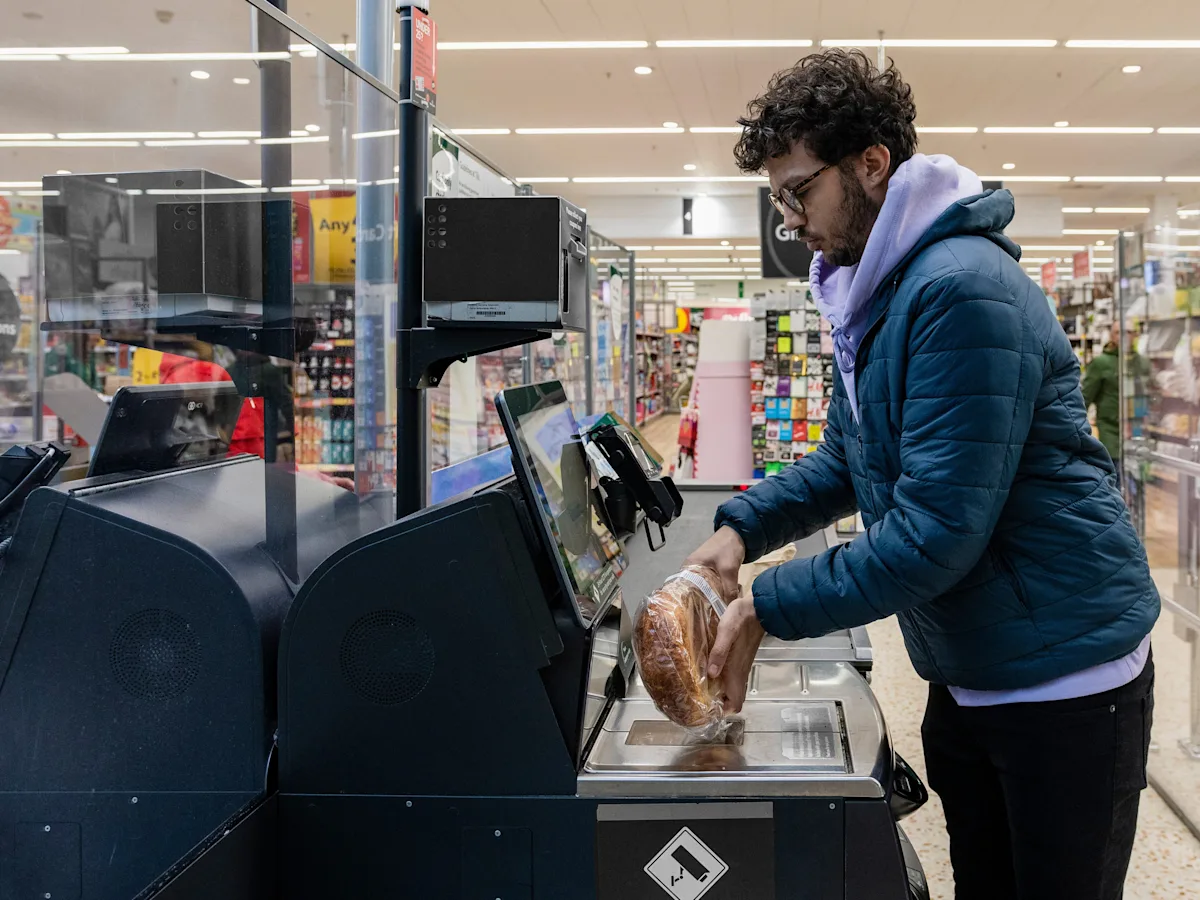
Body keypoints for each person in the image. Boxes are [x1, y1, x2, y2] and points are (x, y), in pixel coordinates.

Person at [686, 49, 1159, 900]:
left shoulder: (959, 289)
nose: (789, 218)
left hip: (1064, 678)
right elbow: (847, 456)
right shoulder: (878, 291)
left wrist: (770, 603)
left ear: (872, 164)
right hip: (977, 661)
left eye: (800, 189)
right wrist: (742, 527)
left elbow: (937, 531)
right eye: (778, 196)